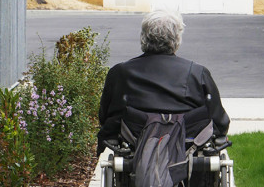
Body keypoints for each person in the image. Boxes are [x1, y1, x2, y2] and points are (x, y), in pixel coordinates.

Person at [97, 9, 230, 155]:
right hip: (187, 143)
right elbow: (218, 119)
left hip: (136, 140)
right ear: (177, 39)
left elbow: (106, 116)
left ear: (143, 37)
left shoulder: (120, 72)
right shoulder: (197, 73)